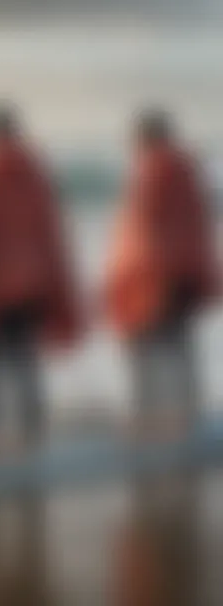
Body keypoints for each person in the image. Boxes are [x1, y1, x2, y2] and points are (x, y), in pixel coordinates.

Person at [0, 101, 81, 457]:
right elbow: (51, 231)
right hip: (32, 284)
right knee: (25, 359)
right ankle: (31, 435)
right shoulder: (35, 172)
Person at [104, 109, 219, 437]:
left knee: (148, 350)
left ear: (145, 138)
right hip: (185, 274)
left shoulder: (155, 170)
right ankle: (186, 420)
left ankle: (156, 423)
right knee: (180, 348)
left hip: (157, 278)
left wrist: (130, 283)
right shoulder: (186, 170)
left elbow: (144, 233)